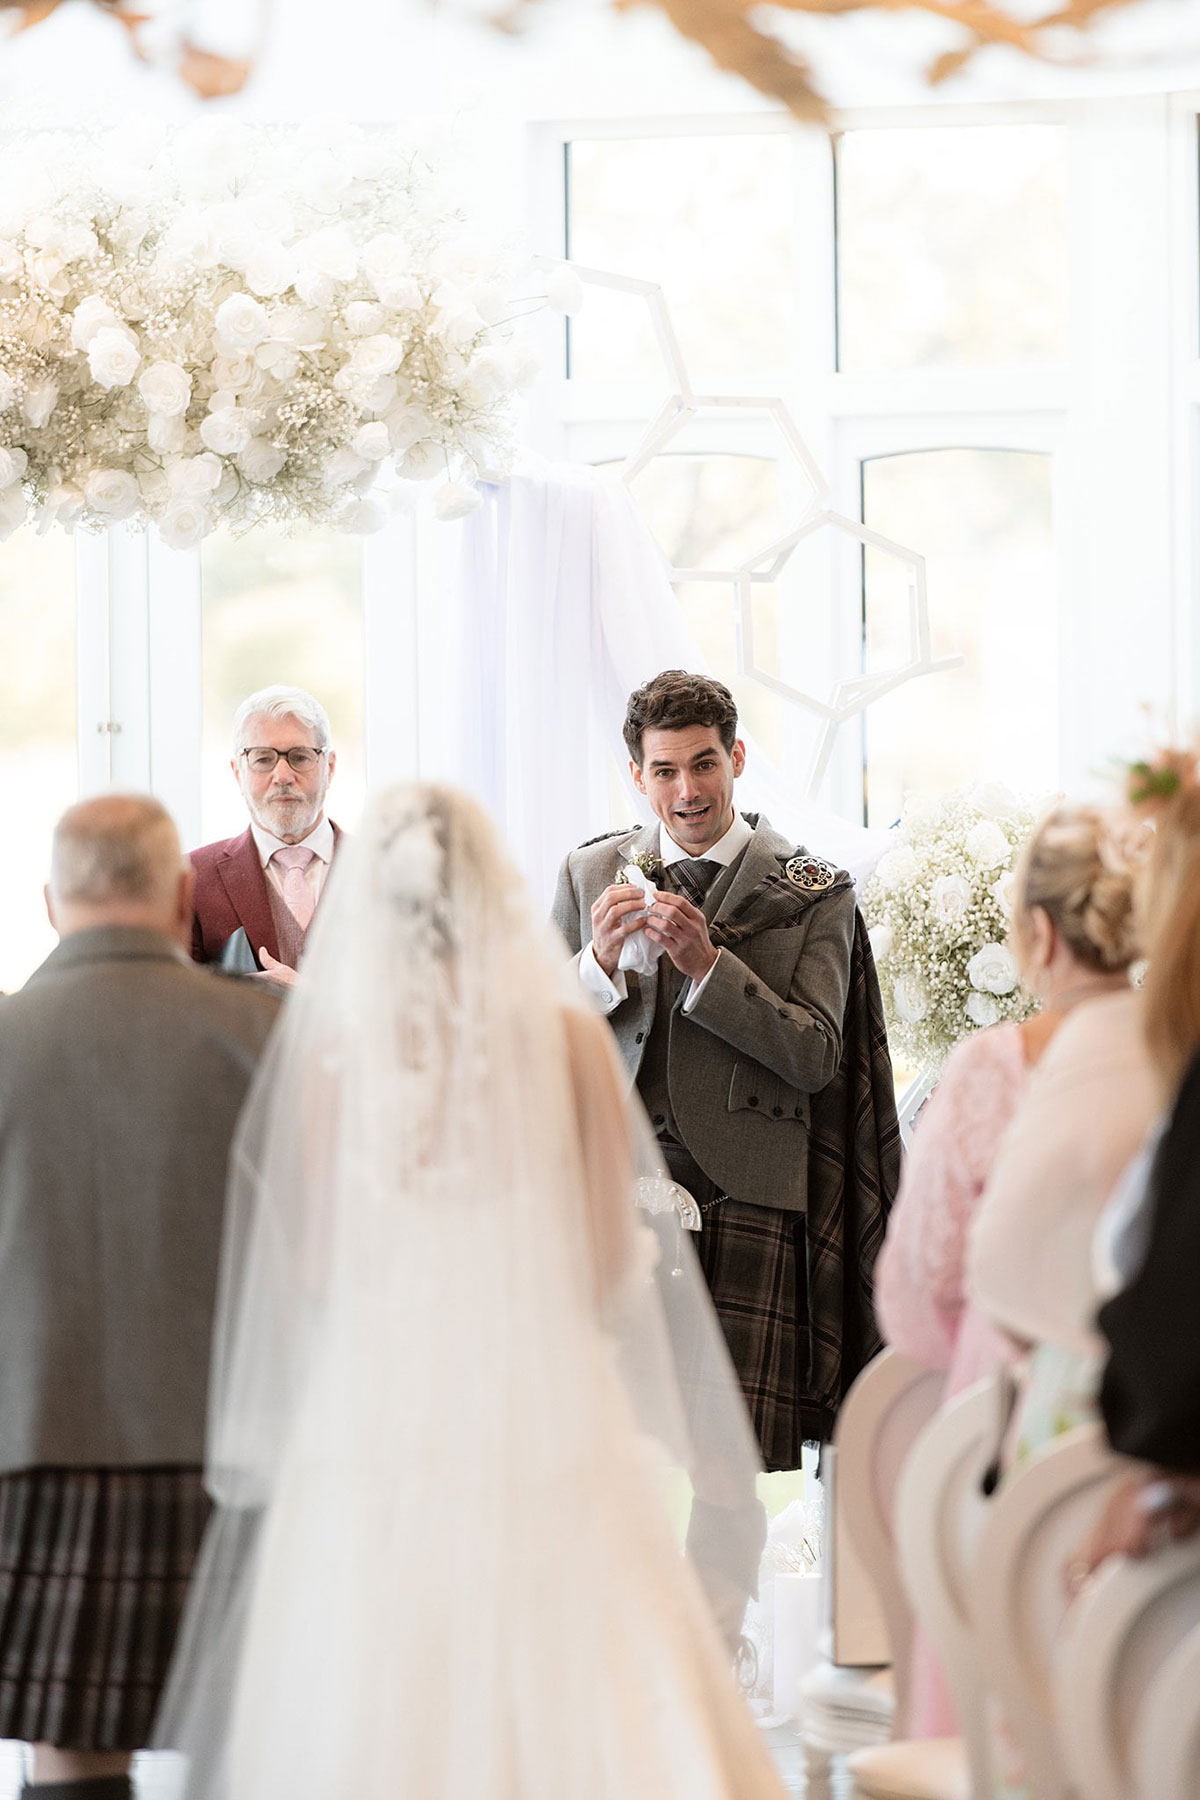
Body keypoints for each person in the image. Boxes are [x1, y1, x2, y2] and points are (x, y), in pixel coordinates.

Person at [157, 784, 789, 1800]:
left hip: (382, 1407)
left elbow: (307, 1261)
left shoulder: (332, 1052)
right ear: (492, 898)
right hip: (538, 1403)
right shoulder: (566, 1042)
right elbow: (606, 1258)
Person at [0, 795, 281, 1800]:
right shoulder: (269, 1029)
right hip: (235, 1454)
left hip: (33, 1449)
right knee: (252, 1746)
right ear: (177, 897)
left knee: (72, 1751)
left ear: (50, 902)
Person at [551, 668, 897, 1471]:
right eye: (665, 770)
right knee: (604, 1455)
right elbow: (534, 1038)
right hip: (609, 1195)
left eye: (704, 763)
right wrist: (596, 963)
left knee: (727, 1473)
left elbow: (815, 1055)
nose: (687, 791)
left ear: (736, 758)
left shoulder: (814, 892)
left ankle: (719, 1562)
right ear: (637, 775)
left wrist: (710, 968)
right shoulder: (588, 873)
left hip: (746, 1193)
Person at [873, 802, 1143, 1738]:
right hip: (1162, 1434)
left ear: (1038, 933)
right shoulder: (1177, 1055)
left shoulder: (993, 1067)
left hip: (1014, 1417)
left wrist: (977, 1340)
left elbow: (914, 1294)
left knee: (1007, 1696)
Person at [189, 685, 343, 983]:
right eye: (262, 759)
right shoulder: (192, 877)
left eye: (300, 757)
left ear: (330, 767)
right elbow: (179, 1000)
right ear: (238, 772)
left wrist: (308, 997)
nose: (283, 776)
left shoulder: (387, 870)